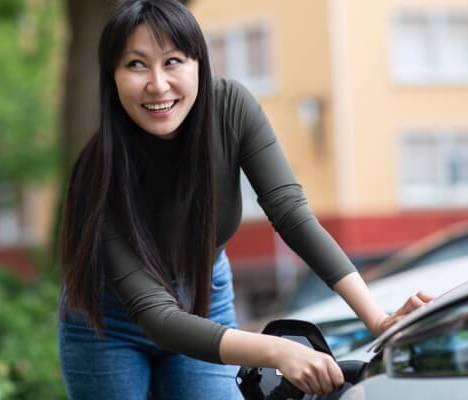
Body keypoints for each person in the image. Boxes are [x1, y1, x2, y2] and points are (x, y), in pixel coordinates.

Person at [58, 1, 432, 399]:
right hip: (108, 319)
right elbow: (157, 317)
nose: (158, 84)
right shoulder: (96, 173)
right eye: (136, 64)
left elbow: (292, 215)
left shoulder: (231, 110)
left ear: (199, 63)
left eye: (173, 61)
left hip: (203, 293)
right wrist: (276, 350)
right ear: (111, 77)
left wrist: (377, 318)